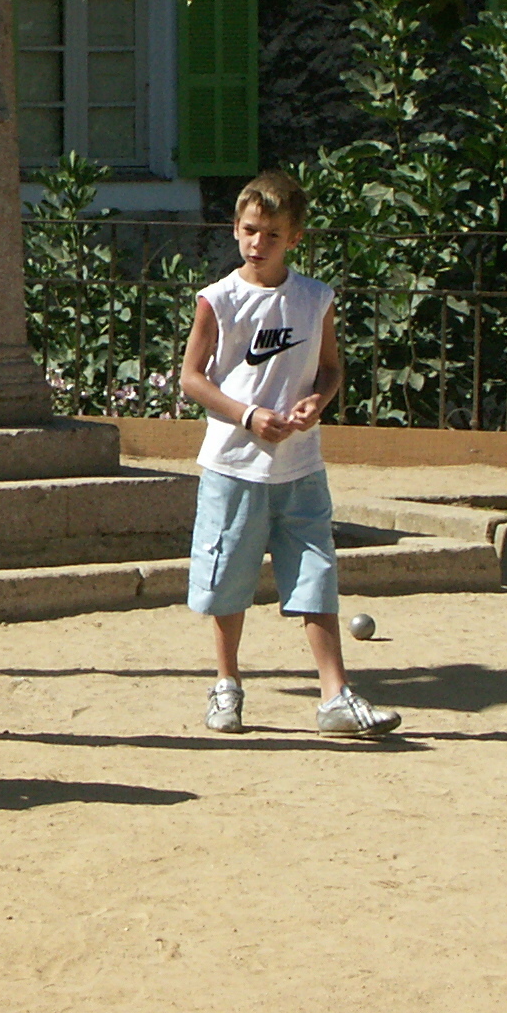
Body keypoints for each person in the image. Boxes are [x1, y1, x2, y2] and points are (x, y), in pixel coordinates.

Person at [177, 169, 401, 739]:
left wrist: (316, 403)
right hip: (233, 465)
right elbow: (192, 378)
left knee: (316, 573)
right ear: (235, 229)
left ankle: (335, 696)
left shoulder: (314, 298)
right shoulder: (218, 300)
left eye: (272, 234)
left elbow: (329, 368)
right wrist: (248, 416)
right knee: (228, 578)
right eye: (250, 230)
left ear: (294, 238)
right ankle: (226, 685)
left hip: (300, 466)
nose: (258, 243)